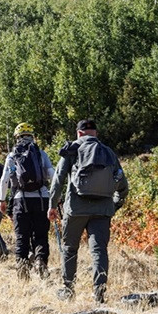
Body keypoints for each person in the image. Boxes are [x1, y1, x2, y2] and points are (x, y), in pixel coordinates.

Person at [48, 119, 129, 303]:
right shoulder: (108, 152)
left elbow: (58, 180)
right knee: (99, 251)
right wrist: (113, 206)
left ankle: (68, 290)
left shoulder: (72, 149)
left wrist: (52, 205)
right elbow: (123, 186)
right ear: (96, 133)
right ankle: (99, 294)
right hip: (102, 210)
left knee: (69, 249)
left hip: (76, 209)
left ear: (79, 133)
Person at [0, 123, 55, 278]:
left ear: (17, 137)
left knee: (22, 236)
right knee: (41, 235)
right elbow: (53, 175)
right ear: (32, 136)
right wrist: (56, 197)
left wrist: (2, 200)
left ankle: (23, 270)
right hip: (42, 199)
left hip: (20, 200)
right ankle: (40, 261)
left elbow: (4, 180)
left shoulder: (12, 156)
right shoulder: (41, 153)